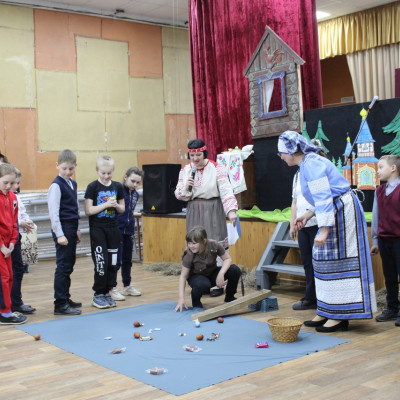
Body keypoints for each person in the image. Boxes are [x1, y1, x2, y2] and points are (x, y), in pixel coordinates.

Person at [278, 131, 376, 332]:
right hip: (335, 209)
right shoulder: (306, 165)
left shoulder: (312, 164)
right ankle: (326, 309)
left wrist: (323, 230)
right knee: (322, 261)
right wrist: (308, 215)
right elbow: (323, 195)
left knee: (337, 261)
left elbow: (324, 196)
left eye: (282, 153)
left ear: (291, 152)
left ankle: (340, 315)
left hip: (342, 212)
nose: (281, 157)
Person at [175, 139, 238, 297]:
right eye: (192, 155)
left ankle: (219, 283)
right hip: (194, 209)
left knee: (215, 242)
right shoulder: (185, 170)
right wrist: (186, 187)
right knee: (195, 243)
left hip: (213, 208)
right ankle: (198, 281)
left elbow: (226, 190)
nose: (195, 158)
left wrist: (231, 211)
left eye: (198, 155)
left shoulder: (217, 168)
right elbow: (179, 194)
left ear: (204, 153)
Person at [290, 139, 327, 311]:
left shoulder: (318, 172)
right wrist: (292, 223)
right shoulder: (298, 175)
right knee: (307, 262)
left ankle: (324, 298)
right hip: (303, 225)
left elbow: (323, 198)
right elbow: (295, 201)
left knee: (320, 262)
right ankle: (310, 296)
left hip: (318, 223)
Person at [85, 155, 124, 309]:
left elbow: (122, 208)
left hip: (113, 229)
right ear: (97, 170)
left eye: (109, 173)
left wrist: (115, 205)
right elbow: (89, 210)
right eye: (103, 173)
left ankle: (108, 291)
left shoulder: (118, 186)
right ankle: (98, 294)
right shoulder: (92, 187)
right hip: (98, 229)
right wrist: (106, 204)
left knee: (113, 263)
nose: (106, 176)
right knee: (102, 262)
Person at [174, 226, 241, 311]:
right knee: (203, 284)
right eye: (189, 243)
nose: (191, 246)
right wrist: (181, 299)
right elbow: (183, 276)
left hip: (211, 273)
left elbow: (227, 259)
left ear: (204, 241)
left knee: (234, 270)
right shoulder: (189, 254)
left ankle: (229, 297)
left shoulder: (214, 245)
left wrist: (221, 274)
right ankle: (196, 301)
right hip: (197, 277)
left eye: (194, 243)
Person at [48, 150, 82, 316]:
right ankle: (60, 303)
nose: (68, 172)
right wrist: (59, 234)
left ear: (75, 166)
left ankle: (65, 297)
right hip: (62, 228)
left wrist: (77, 229)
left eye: (71, 168)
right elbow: (54, 213)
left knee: (69, 264)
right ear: (57, 166)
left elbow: (75, 207)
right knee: (63, 266)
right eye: (64, 169)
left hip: (71, 227)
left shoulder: (72, 183)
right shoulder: (56, 185)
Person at [370, 155, 400, 326]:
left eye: (381, 167)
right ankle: (392, 307)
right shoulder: (379, 191)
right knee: (389, 276)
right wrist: (375, 240)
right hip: (384, 240)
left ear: (393, 168)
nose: (378, 171)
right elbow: (376, 217)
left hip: (399, 240)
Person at [110, 166, 143, 301]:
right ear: (126, 178)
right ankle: (112, 288)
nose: (135, 184)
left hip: (128, 231)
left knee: (127, 260)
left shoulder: (136, 194)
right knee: (116, 261)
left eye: (137, 182)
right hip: (117, 230)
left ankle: (127, 286)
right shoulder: (118, 191)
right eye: (132, 181)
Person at [0, 163, 27, 325]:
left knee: (10, 276)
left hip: (8, 246)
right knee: (3, 278)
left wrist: (12, 241)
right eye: (5, 183)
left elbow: (14, 223)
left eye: (12, 183)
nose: (9, 186)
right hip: (1, 246)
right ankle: (4, 313)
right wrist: (1, 245)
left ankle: (7, 309)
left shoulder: (12, 198)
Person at [11, 168, 36, 314]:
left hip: (17, 236)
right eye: (13, 183)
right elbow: (9, 218)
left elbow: (22, 213)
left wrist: (27, 222)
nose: (16, 186)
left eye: (18, 183)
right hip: (9, 238)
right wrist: (21, 223)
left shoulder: (16, 197)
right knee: (16, 269)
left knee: (18, 269)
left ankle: (16, 301)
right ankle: (14, 302)